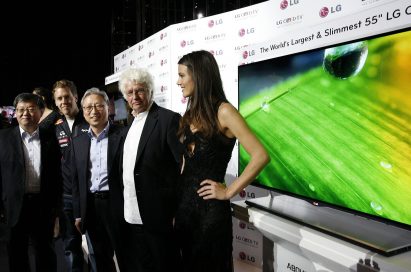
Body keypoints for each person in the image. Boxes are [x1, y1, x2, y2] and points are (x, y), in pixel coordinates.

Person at [175, 50, 270, 272]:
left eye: (182, 76)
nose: (178, 82)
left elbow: (261, 155)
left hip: (210, 215)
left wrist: (228, 192)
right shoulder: (190, 114)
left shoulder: (224, 111)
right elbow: (185, 165)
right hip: (184, 211)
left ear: (198, 76)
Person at [118, 67, 182, 272]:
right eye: (130, 92)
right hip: (132, 215)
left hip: (159, 217)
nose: (135, 96)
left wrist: (174, 211)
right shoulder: (127, 127)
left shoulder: (168, 119)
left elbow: (183, 167)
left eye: (140, 90)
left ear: (150, 91)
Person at [0, 93, 62, 272]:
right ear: (15, 113)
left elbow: (57, 176)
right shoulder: (3, 138)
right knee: (16, 252)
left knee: (45, 251)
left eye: (30, 108)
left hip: (43, 205)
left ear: (40, 112)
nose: (25, 113)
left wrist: (56, 210)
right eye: (20, 109)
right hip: (14, 206)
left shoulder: (52, 137)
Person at [69, 88, 128, 272]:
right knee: (100, 258)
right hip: (91, 207)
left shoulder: (124, 135)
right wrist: (79, 213)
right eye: (88, 108)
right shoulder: (78, 140)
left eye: (98, 106)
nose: (93, 111)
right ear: (83, 111)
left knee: (126, 254)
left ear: (108, 107)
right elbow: (76, 179)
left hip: (117, 204)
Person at [52, 79, 88, 272]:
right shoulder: (53, 127)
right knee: (70, 247)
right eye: (59, 98)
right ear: (55, 102)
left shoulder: (90, 120)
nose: (64, 101)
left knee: (96, 246)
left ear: (76, 97)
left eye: (67, 96)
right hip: (66, 198)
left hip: (90, 196)